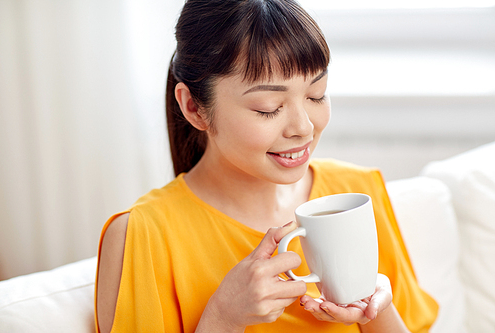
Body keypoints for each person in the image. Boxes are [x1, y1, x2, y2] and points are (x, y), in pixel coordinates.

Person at [95, 0, 438, 332]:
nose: (303, 127)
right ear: (195, 108)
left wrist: (376, 311)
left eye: (316, 94)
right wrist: (223, 319)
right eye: (268, 107)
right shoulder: (142, 236)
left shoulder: (357, 194)